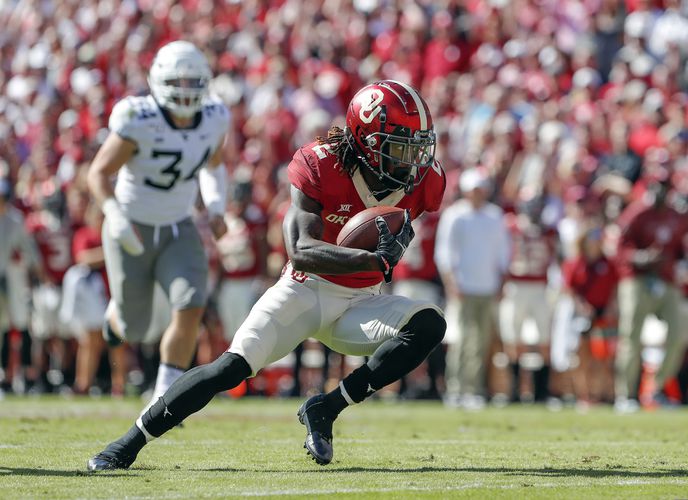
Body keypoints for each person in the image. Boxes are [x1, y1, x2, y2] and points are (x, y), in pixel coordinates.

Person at [87, 79, 446, 471]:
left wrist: (375, 263)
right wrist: (372, 260)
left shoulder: (425, 181)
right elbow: (302, 252)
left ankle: (326, 406)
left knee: (429, 324)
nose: (412, 162)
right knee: (230, 368)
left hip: (363, 301)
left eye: (417, 148)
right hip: (303, 291)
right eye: (399, 149)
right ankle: (127, 443)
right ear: (366, 141)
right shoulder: (321, 163)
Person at [86, 41, 230, 413]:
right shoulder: (139, 119)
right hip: (131, 225)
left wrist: (215, 207)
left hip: (178, 226)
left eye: (193, 81)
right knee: (134, 327)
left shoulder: (215, 117)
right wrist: (114, 215)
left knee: (191, 303)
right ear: (159, 81)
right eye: (177, 81)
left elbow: (214, 166)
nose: (185, 90)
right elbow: (99, 173)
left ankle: (165, 398)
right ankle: (116, 317)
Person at [613, 166, 688, 413]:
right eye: (656, 185)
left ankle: (655, 388)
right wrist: (640, 257)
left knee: (679, 334)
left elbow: (679, 249)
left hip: (666, 281)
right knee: (630, 337)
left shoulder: (676, 216)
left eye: (664, 186)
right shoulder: (637, 214)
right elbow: (619, 248)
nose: (660, 191)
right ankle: (626, 395)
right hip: (637, 280)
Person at [434, 168, 510, 410]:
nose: (478, 194)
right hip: (464, 287)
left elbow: (502, 252)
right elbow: (445, 253)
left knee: (481, 342)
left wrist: (501, 281)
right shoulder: (455, 216)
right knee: (462, 340)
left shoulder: (495, 216)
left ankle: (474, 389)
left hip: (487, 287)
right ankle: (456, 388)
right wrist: (452, 283)